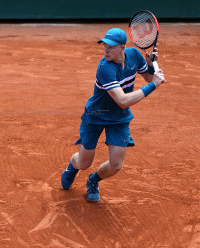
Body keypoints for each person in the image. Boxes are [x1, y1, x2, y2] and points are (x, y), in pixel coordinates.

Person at [60, 28, 165, 202]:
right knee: (84, 163)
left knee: (116, 165)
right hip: (96, 115)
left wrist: (151, 66)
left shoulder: (134, 55)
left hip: (118, 118)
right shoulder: (105, 67)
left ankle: (93, 180)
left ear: (122, 47)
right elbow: (122, 100)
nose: (106, 50)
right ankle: (73, 166)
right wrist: (154, 85)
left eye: (110, 47)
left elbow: (147, 77)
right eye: (104, 46)